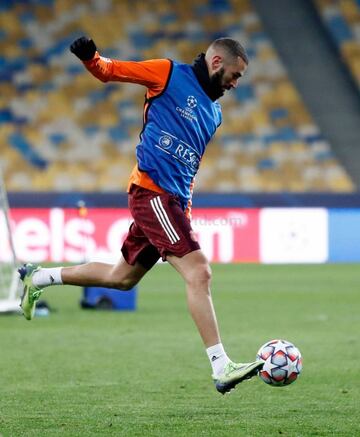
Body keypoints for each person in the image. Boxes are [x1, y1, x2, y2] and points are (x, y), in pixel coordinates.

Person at [19, 36, 264, 394]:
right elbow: (111, 71)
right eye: (234, 74)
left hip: (173, 202)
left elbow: (189, 170)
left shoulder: (214, 114)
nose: (235, 83)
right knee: (200, 272)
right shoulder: (166, 73)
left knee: (122, 278)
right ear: (216, 63)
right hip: (151, 193)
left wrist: (186, 211)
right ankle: (221, 366)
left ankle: (39, 278)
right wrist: (91, 57)